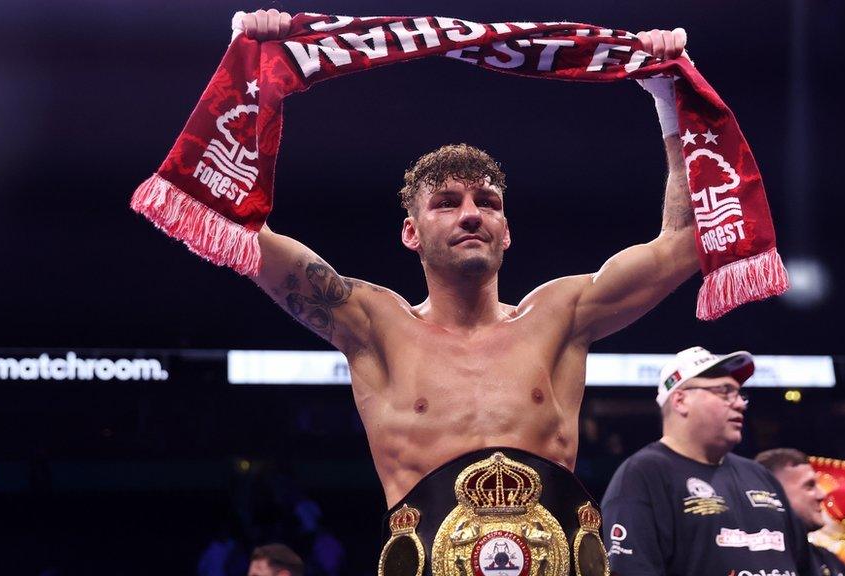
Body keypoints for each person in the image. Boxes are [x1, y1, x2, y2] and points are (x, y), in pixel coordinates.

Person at [225, 9, 699, 576]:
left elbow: (686, 242)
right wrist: (255, 83)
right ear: (411, 232)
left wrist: (669, 96)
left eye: (488, 202)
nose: (471, 215)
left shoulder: (562, 315)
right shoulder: (373, 325)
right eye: (447, 203)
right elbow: (242, 233)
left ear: (506, 230)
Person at [600, 346, 811, 576]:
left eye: (740, 394)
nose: (740, 403)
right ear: (680, 400)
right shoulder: (643, 475)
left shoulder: (761, 477)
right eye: (725, 391)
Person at [757, 448, 845, 576]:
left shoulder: (830, 562)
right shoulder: (747, 561)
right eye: (810, 485)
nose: (822, 495)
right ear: (774, 493)